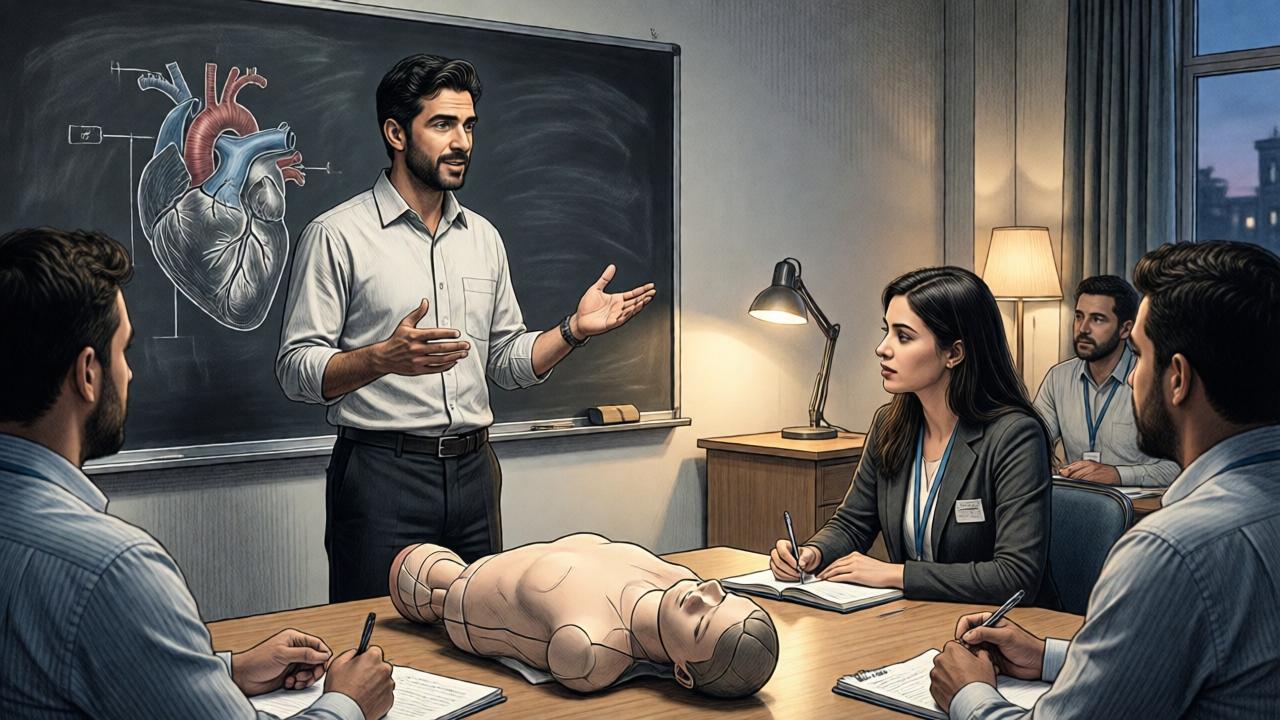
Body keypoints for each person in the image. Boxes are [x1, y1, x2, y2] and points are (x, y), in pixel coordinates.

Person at [276, 54, 657, 602]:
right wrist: (382, 358)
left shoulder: (484, 238)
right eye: (443, 124)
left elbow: (504, 361)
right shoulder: (337, 235)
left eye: (469, 125)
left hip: (476, 472)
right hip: (383, 475)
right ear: (396, 133)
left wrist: (572, 330)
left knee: (484, 634)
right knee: (379, 646)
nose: (462, 141)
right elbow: (294, 370)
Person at [0, 227, 394, 720]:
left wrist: (223, 670)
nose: (129, 373)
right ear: (88, 373)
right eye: (123, 351)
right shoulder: (112, 570)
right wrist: (347, 703)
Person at [929, 241, 1280, 718]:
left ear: (1176, 378)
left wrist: (969, 692)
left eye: (1140, 355)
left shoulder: (1172, 552)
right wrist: (1053, 655)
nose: (1133, 377)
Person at [770, 266, 1056, 606]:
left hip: (997, 628)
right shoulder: (889, 423)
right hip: (915, 616)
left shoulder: (1014, 436)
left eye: (903, 337)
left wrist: (897, 575)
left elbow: (1014, 576)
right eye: (886, 331)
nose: (882, 348)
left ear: (954, 354)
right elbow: (853, 523)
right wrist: (813, 552)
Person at [388, 533, 778, 697]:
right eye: (722, 595)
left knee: (417, 574)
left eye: (701, 622)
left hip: (446, 594)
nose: (705, 592)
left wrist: (441, 590)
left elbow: (571, 654)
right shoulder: (679, 578)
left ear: (682, 672)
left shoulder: (593, 649)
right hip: (467, 571)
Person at [1032, 275, 1179, 486]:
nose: (1082, 329)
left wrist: (1117, 475)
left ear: (1125, 329)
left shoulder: (1150, 380)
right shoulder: (1059, 378)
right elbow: (1032, 443)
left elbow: (1178, 469)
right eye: (1079, 316)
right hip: (1078, 502)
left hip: (1137, 512)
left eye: (1097, 319)